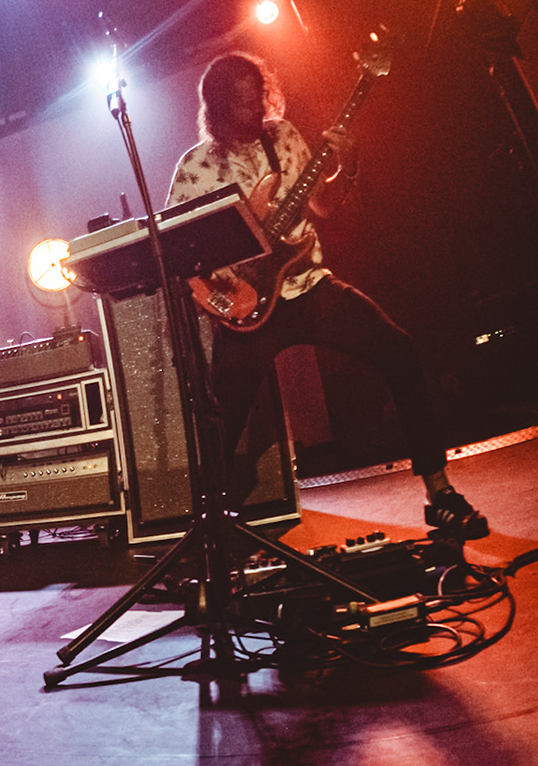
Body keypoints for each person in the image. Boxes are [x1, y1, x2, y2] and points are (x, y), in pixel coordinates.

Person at [167, 52, 489, 542]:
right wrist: (218, 299)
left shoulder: (284, 136)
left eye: (260, 97)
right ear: (218, 107)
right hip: (246, 307)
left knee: (401, 351)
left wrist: (348, 164)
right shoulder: (196, 169)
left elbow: (324, 206)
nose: (257, 110)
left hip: (308, 285)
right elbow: (178, 252)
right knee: (222, 421)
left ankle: (439, 492)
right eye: (244, 104)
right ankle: (208, 532)